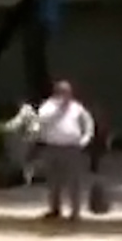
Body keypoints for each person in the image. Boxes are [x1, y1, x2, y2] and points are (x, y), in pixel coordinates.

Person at [34, 79, 96, 220]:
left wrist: (85, 139)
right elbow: (42, 121)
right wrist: (59, 110)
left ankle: (75, 211)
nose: (66, 95)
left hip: (72, 148)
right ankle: (55, 209)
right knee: (53, 180)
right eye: (63, 92)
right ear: (57, 92)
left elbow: (88, 122)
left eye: (68, 92)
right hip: (53, 147)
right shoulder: (48, 106)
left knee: (74, 180)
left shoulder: (77, 107)